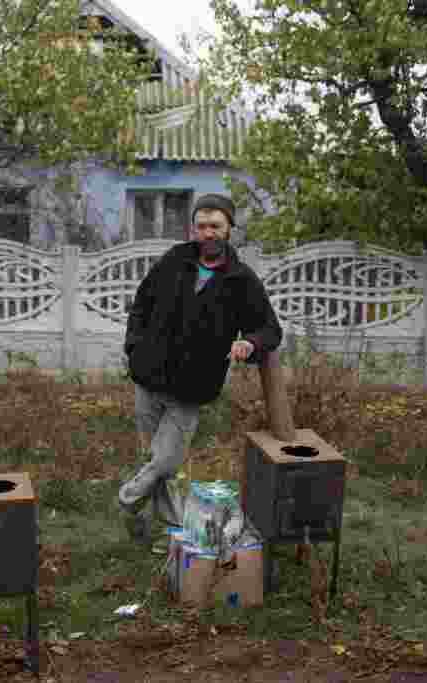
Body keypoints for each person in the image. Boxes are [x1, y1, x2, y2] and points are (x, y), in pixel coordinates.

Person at [119, 194, 283, 548]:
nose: (207, 233)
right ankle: (165, 529)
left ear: (229, 230)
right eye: (201, 226)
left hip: (191, 388)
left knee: (165, 461)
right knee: (153, 461)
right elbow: (142, 303)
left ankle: (128, 500)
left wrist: (249, 344)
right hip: (148, 377)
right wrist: (134, 347)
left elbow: (270, 330)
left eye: (216, 226)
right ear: (194, 228)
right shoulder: (174, 260)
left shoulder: (241, 280)